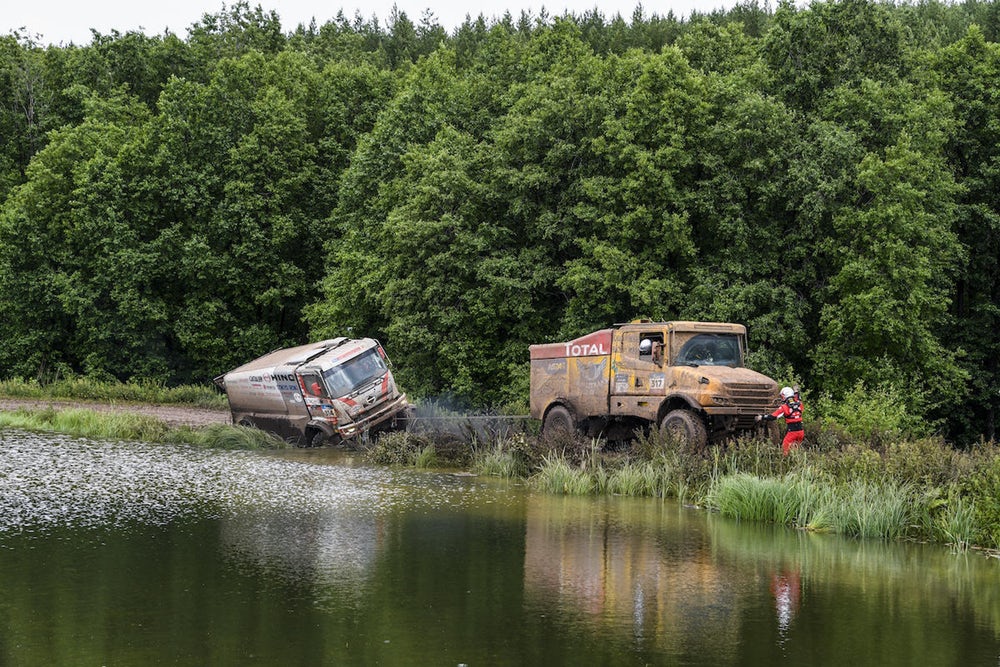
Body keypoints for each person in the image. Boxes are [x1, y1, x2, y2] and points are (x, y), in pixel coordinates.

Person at [756, 386, 804, 455]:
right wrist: (796, 391)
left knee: (785, 450)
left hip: (792, 432)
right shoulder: (799, 403)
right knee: (795, 451)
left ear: (784, 396)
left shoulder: (784, 407)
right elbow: (797, 397)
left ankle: (786, 461)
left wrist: (761, 417)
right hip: (801, 432)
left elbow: (773, 417)